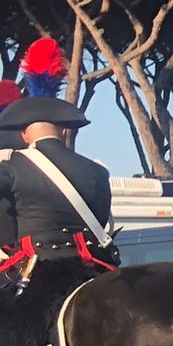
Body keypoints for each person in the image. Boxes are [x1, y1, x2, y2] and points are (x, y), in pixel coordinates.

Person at [0, 95, 119, 278]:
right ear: (64, 131)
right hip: (93, 265)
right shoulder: (98, 171)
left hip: (36, 266)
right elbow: (101, 218)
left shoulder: (10, 166)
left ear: (24, 135)